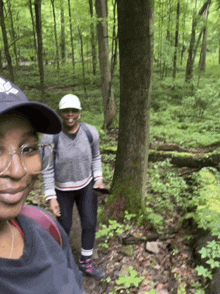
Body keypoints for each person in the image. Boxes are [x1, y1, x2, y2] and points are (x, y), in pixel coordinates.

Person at [0, 76, 85, 294]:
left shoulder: (44, 226)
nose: (18, 171)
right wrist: (51, 194)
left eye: (28, 149)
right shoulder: (56, 139)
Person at [41, 94, 105, 279]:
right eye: (66, 111)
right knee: (64, 227)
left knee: (90, 223)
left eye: (74, 111)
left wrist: (98, 179)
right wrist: (50, 196)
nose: (70, 114)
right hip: (62, 190)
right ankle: (63, 264)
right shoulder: (49, 137)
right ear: (60, 112)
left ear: (80, 112)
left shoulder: (90, 133)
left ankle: (86, 263)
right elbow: (47, 168)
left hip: (86, 185)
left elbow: (96, 157)